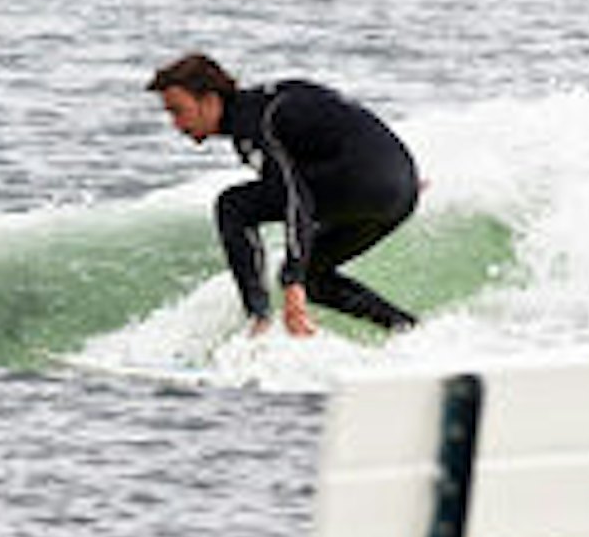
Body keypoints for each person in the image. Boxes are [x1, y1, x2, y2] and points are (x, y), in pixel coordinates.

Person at [148, 52, 419, 337]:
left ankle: (259, 320)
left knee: (233, 206)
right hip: (401, 190)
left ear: (210, 100)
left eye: (178, 110)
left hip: (362, 183)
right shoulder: (268, 105)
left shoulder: (258, 123)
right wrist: (393, 180)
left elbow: (295, 198)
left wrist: (292, 280)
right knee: (315, 278)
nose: (176, 124)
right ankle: (411, 332)